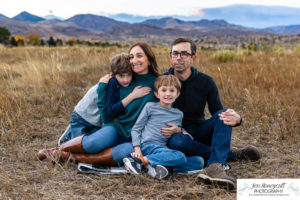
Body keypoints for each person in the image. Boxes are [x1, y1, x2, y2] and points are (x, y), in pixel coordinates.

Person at [38, 42, 159, 166]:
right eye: (131, 57)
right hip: (117, 128)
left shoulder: (159, 83)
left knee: (123, 153)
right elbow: (107, 116)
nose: (134, 60)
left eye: (139, 56)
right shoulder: (121, 79)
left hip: (135, 137)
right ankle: (60, 149)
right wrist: (105, 88)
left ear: (149, 59)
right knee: (93, 145)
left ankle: (70, 156)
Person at [162, 38, 261, 188]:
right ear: (170, 57)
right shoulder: (162, 81)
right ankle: (231, 155)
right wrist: (179, 130)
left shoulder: (206, 81)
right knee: (178, 142)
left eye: (184, 54)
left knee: (223, 114)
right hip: (176, 133)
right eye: (175, 53)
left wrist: (238, 119)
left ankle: (214, 167)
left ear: (193, 58)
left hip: (200, 130)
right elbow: (156, 113)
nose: (179, 58)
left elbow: (217, 112)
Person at [57, 53, 150, 145]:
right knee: (78, 146)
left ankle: (75, 133)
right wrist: (132, 96)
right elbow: (110, 112)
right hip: (81, 118)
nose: (126, 80)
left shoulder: (121, 82)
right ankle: (69, 134)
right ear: (113, 75)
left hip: (96, 122)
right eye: (121, 76)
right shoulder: (111, 83)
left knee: (99, 142)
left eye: (129, 75)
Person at [123, 75, 204, 179]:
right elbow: (136, 129)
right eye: (164, 90)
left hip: (163, 149)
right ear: (157, 94)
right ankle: (139, 160)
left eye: (172, 90)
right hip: (147, 145)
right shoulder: (150, 107)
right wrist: (137, 149)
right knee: (180, 157)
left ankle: (156, 166)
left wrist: (182, 131)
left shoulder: (178, 114)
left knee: (198, 161)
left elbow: (176, 129)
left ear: (177, 94)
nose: (168, 93)